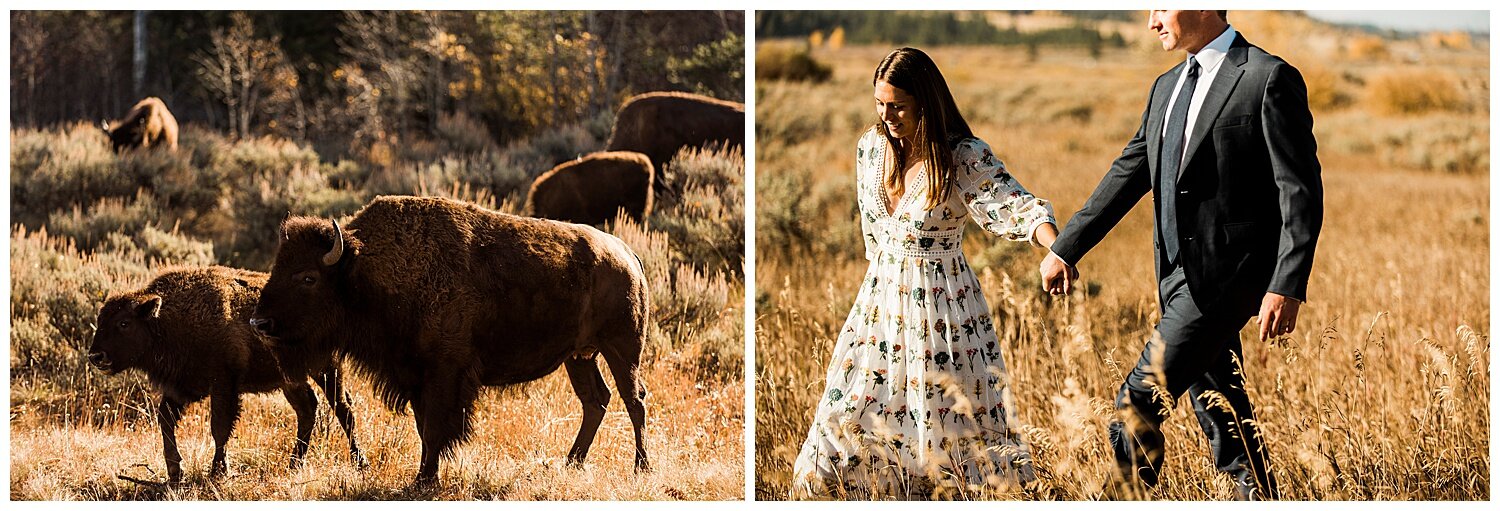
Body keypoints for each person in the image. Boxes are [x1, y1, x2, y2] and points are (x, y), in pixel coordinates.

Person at [1040, 10, 1322, 500]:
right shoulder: (1166, 86)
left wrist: (1286, 282)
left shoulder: (1266, 76)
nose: (1152, 22)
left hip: (1227, 280)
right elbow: (1129, 172)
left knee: (1137, 404)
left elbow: (1299, 193)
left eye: (1160, 8)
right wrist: (1067, 247)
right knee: (1226, 418)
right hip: (1172, 276)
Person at [790, 47, 1061, 498]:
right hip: (880, 309)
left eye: (896, 105)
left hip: (946, 311)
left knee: (945, 430)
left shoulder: (960, 156)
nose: (886, 114)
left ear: (924, 102)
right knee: (847, 418)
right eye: (879, 103)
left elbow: (1016, 206)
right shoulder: (870, 148)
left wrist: (1059, 250)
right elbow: (872, 234)